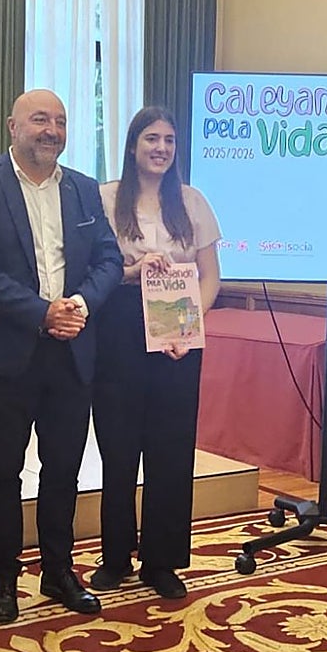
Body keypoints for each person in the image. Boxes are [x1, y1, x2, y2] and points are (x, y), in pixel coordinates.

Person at [0, 89, 123, 624]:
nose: (52, 130)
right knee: (4, 469)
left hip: (72, 350)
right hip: (9, 351)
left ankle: (59, 571)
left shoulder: (84, 188)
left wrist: (80, 304)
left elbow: (109, 260)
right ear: (12, 125)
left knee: (63, 468)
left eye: (61, 122)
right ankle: (4, 579)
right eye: (40, 120)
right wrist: (41, 312)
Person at [88, 106, 222, 600]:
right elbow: (95, 271)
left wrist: (190, 326)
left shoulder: (192, 201)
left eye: (168, 140)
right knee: (118, 451)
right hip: (119, 333)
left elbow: (211, 277)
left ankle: (162, 561)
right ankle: (115, 557)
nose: (161, 148)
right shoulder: (104, 199)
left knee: (170, 450)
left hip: (179, 338)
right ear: (132, 145)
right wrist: (133, 268)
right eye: (151, 139)